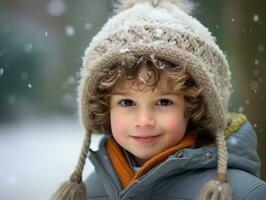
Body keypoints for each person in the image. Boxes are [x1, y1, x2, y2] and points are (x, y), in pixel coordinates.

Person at [52, 0, 266, 199]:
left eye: (164, 102)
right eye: (127, 102)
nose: (144, 120)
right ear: (104, 107)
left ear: (194, 107)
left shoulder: (244, 193)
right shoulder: (93, 190)